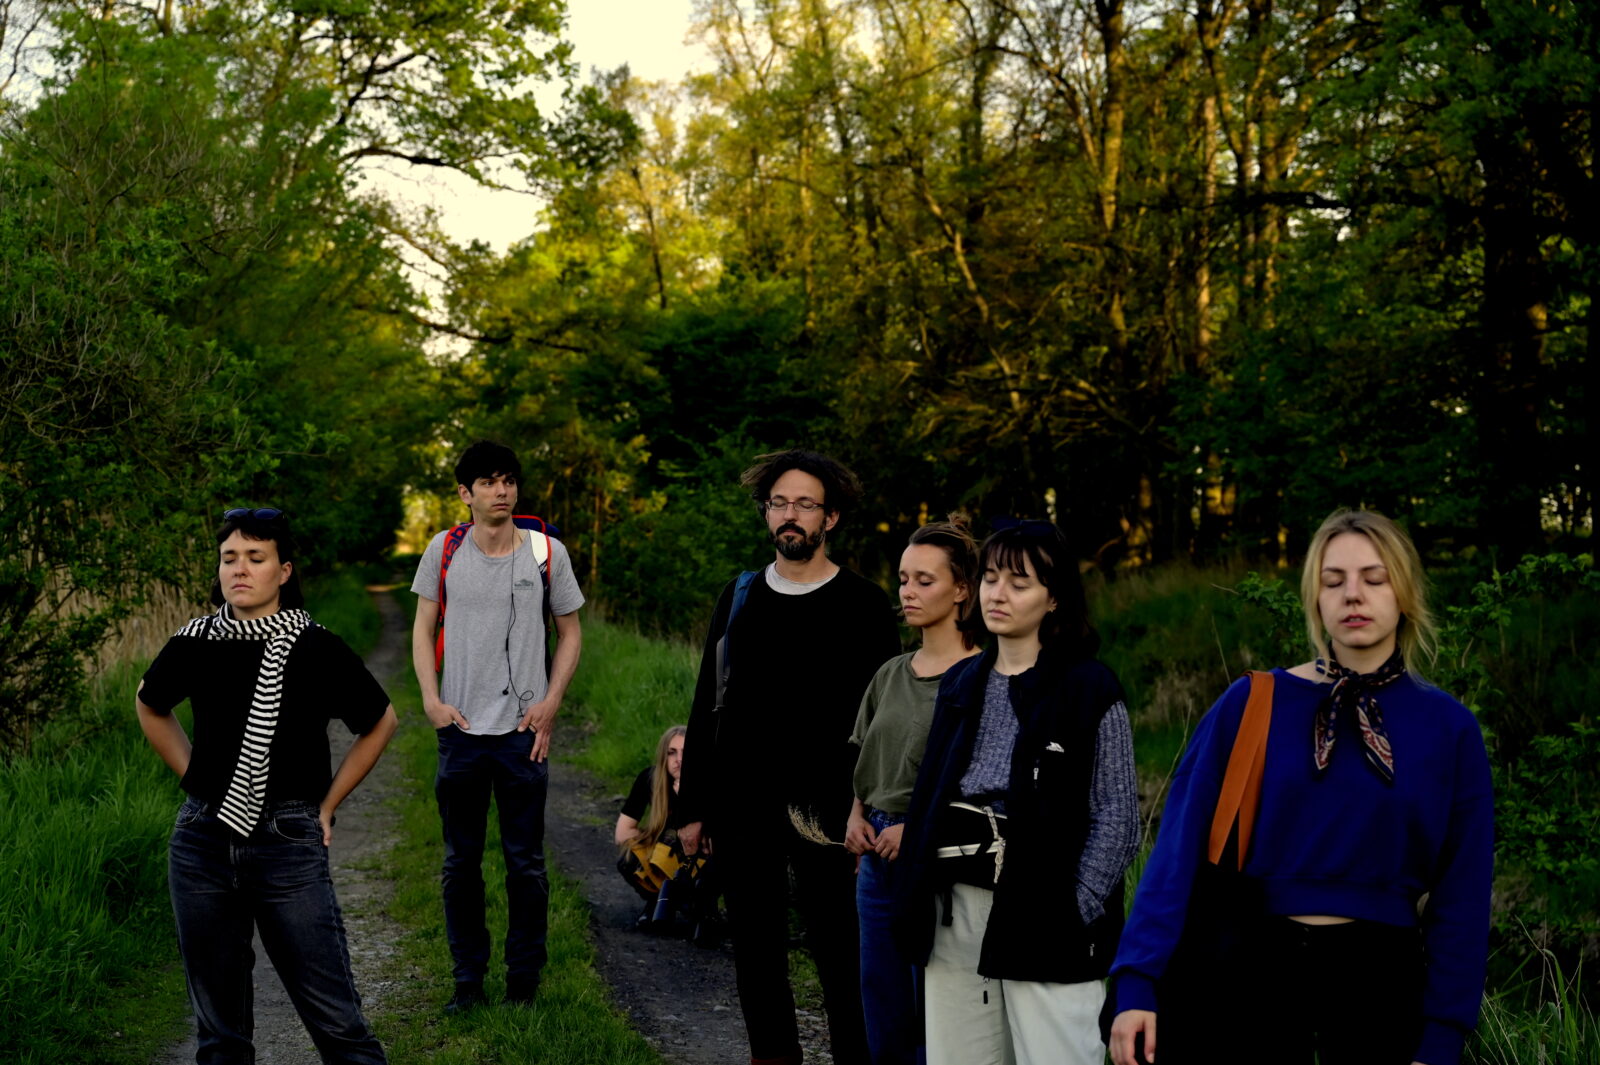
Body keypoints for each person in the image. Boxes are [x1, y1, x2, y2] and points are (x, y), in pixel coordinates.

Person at [1108, 509, 1494, 1065]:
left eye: (1374, 578)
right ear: (1314, 598)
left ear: (1405, 593)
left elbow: (1463, 895)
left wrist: (1442, 1034)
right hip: (1248, 973)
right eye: (1333, 581)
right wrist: (1137, 981)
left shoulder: (1449, 728)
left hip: (1382, 984)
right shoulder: (1251, 703)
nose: (1352, 595)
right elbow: (1176, 850)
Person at [135, 507, 399, 1064]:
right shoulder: (196, 640)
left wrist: (328, 804)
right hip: (202, 840)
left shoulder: (315, 646)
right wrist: (194, 776)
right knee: (220, 1035)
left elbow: (380, 722)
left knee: (337, 1023)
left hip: (288, 841)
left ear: (283, 570)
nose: (240, 568)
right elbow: (150, 703)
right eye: (230, 557)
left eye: (256, 557)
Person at [677, 448, 902, 1065]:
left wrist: (875, 810)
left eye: (804, 504)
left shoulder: (864, 603)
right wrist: (693, 806)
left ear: (831, 517)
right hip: (742, 803)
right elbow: (707, 702)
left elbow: (886, 722)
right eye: (779, 503)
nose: (790, 515)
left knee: (842, 950)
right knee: (755, 951)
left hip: (832, 809)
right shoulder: (740, 595)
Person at [893, 521, 1139, 1065]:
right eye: (990, 578)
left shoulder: (1089, 688)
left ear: (1054, 598)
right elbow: (930, 794)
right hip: (954, 909)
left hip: (1046, 914)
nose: (997, 594)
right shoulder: (962, 682)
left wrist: (1075, 908)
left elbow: (1118, 818)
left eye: (1019, 583)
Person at [410, 440, 585, 1012]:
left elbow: (571, 633)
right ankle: (467, 983)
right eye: (487, 482)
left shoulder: (547, 552)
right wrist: (431, 701)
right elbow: (422, 628)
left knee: (525, 864)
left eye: (507, 480)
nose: (500, 491)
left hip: (522, 736)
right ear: (466, 493)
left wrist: (552, 702)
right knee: (460, 865)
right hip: (459, 734)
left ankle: (523, 985)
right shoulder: (443, 549)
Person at [845, 518, 983, 1065]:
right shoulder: (891, 673)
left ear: (962, 590)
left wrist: (919, 829)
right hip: (875, 855)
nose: (908, 591)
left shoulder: (982, 678)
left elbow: (982, 784)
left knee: (935, 1010)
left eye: (925, 580)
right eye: (904, 579)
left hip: (939, 858)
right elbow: (866, 756)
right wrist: (856, 816)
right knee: (882, 1004)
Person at [614, 725, 711, 934]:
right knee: (629, 857)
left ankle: (700, 908)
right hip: (667, 854)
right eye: (672, 753)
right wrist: (657, 844)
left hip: (701, 857)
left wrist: (687, 797)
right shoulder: (650, 779)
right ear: (663, 756)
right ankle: (657, 902)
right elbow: (622, 833)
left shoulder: (708, 782)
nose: (679, 760)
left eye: (686, 753)